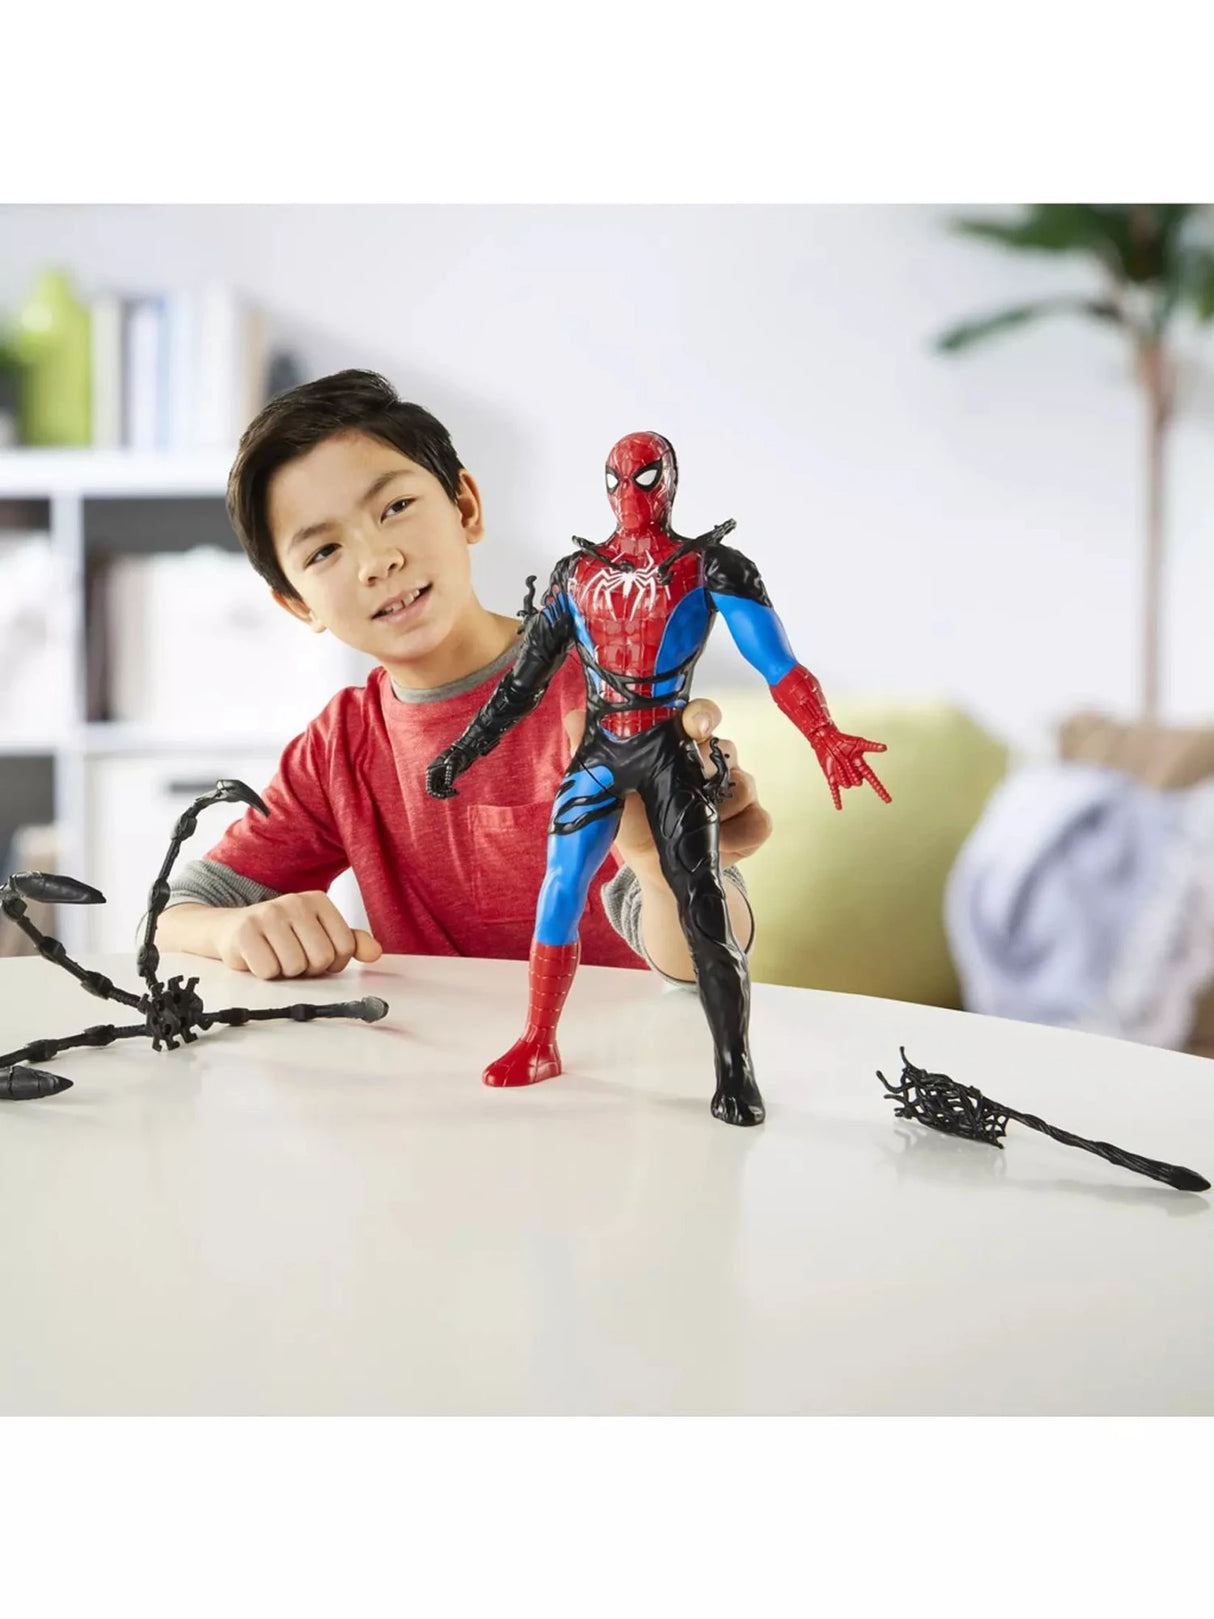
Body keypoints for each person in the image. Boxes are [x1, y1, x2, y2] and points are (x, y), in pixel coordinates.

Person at [155, 371, 771, 983]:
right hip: (427, 1076)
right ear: (299, 605)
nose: (378, 561)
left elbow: (706, 958)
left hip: (624, 1067)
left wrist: (658, 867)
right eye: (323, 551)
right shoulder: (339, 748)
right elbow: (168, 918)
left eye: (395, 508)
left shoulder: (610, 690)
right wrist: (235, 929)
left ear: (465, 507)